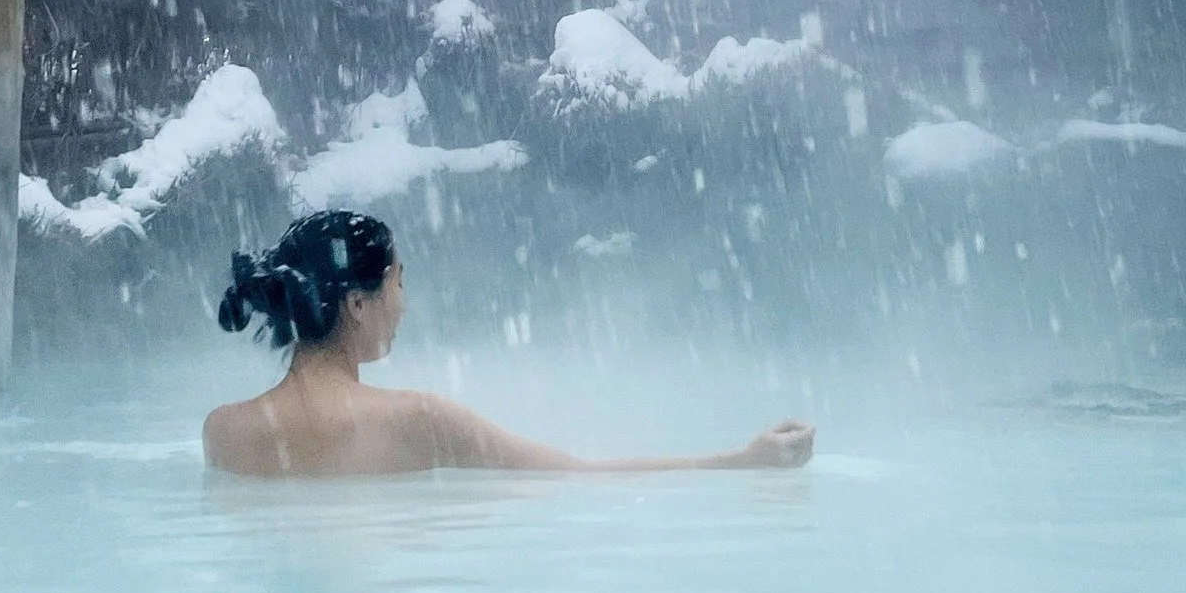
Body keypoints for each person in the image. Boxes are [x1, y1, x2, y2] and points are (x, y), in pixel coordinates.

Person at [202, 210, 814, 480]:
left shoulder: (224, 432)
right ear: (357, 304)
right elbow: (574, 477)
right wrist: (743, 461)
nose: (405, 302)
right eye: (398, 282)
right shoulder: (417, 419)